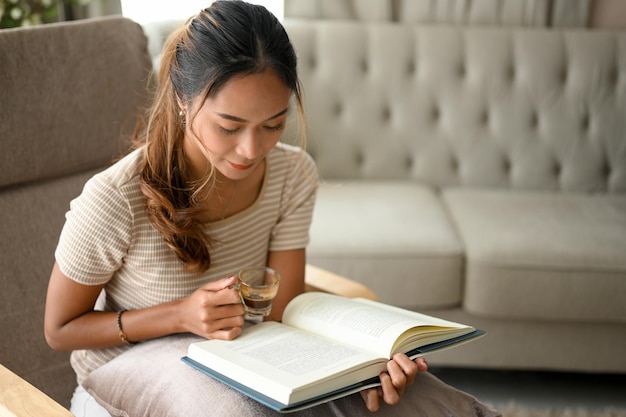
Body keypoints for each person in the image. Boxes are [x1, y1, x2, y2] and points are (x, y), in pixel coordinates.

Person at [44, 2, 498, 416]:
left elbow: (284, 309)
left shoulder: (291, 174)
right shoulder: (115, 197)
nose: (251, 149)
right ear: (182, 101)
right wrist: (180, 316)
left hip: (251, 353)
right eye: (229, 126)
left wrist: (363, 361)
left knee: (427, 402)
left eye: (273, 124)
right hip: (124, 370)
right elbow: (60, 329)